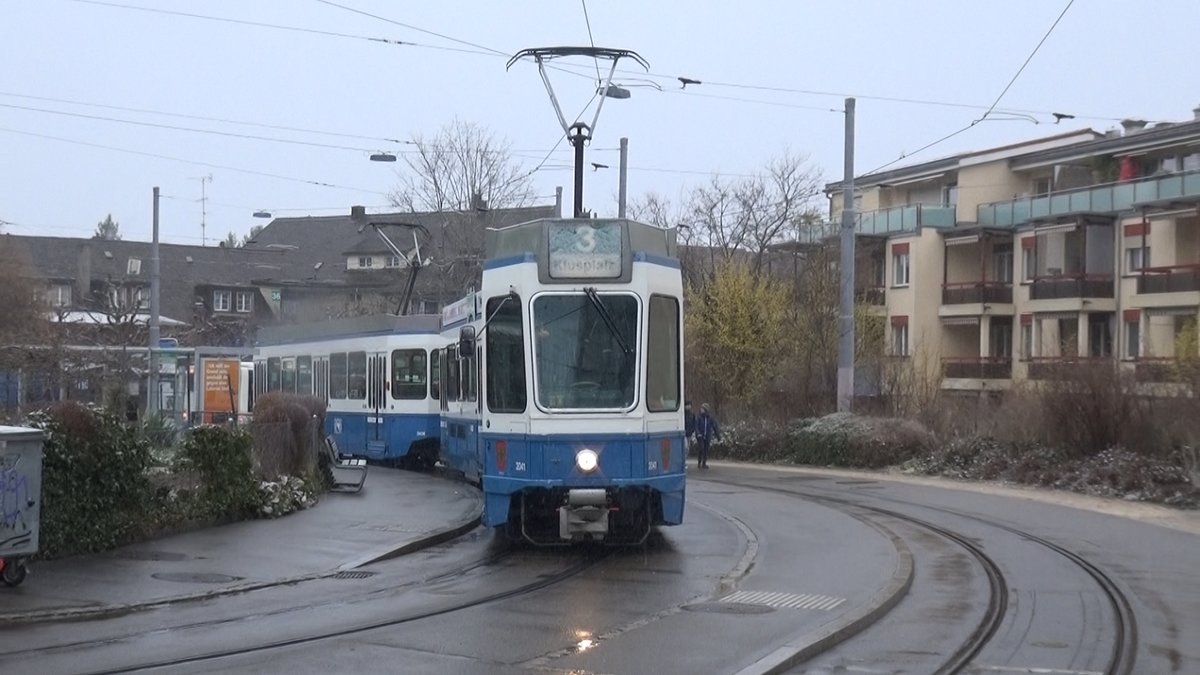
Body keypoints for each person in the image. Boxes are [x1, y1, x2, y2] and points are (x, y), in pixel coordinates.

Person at [695, 403, 720, 470]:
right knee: (701, 448)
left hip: (707, 436)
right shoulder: (699, 417)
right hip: (700, 436)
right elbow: (696, 426)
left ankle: (704, 463)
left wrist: (718, 435)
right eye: (701, 408)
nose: (701, 410)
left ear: (706, 410)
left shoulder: (710, 418)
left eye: (703, 409)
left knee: (706, 449)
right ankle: (699, 462)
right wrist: (698, 433)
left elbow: (715, 426)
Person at [684, 401, 696, 467]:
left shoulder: (692, 414)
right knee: (685, 447)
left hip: (689, 434)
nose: (688, 406)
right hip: (684, 434)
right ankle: (683, 462)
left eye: (689, 405)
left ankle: (684, 461)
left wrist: (692, 430)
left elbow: (694, 423)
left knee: (687, 449)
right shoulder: (683, 414)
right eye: (687, 405)